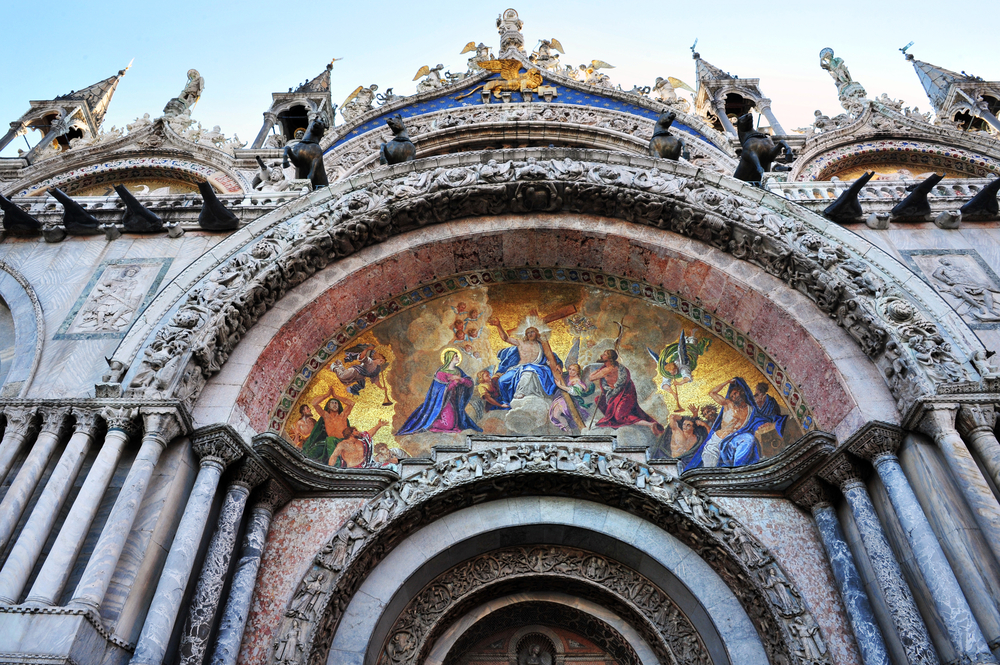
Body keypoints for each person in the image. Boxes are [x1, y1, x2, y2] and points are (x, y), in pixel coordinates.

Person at [683, 377, 787, 472]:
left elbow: (757, 421)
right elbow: (712, 393)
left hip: (733, 440)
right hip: (717, 442)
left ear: (742, 392)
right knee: (710, 471)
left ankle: (738, 470)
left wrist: (764, 423)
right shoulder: (729, 404)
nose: (734, 396)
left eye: (735, 393)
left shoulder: (751, 410)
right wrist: (727, 382)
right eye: (732, 395)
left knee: (748, 439)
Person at [397, 349, 482, 434]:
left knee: (458, 424)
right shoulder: (441, 373)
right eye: (455, 356)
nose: (458, 357)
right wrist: (455, 382)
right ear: (450, 358)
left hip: (455, 401)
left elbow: (469, 383)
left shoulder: (458, 371)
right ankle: (429, 422)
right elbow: (440, 390)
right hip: (443, 402)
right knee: (448, 425)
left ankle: (437, 419)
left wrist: (460, 379)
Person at [488, 318, 562, 404]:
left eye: (532, 332)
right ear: (526, 334)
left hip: (534, 367)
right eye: (528, 332)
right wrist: (498, 325)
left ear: (537, 333)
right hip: (518, 368)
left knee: (528, 371)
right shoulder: (520, 343)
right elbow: (505, 338)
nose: (530, 334)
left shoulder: (542, 346)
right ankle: (507, 401)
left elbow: (551, 357)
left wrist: (558, 365)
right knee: (502, 381)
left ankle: (520, 393)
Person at [590, 349, 663, 433]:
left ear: (609, 358)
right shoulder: (618, 366)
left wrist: (598, 370)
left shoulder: (605, 370)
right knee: (598, 400)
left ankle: (649, 424)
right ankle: (616, 420)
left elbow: (591, 378)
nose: (602, 356)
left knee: (619, 417)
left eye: (605, 354)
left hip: (624, 396)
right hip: (619, 395)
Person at [301, 390, 354, 462]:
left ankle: (335, 464)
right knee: (311, 453)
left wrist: (336, 396)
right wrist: (327, 395)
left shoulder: (343, 416)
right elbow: (314, 403)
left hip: (341, 441)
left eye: (336, 403)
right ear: (328, 406)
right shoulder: (326, 416)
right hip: (328, 443)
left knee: (330, 440)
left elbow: (351, 403)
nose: (334, 405)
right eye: (332, 403)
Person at [549, 363, 595, 431]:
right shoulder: (566, 376)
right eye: (570, 369)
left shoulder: (577, 381)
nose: (570, 371)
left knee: (560, 412)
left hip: (570, 400)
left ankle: (569, 431)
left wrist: (560, 386)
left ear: (577, 372)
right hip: (560, 398)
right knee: (555, 416)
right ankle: (567, 428)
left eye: (573, 370)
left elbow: (574, 391)